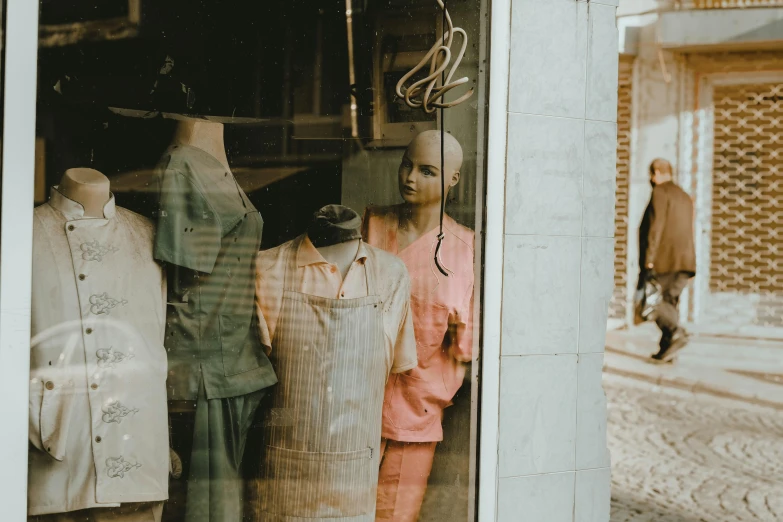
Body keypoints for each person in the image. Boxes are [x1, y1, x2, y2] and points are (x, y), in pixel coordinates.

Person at [363, 130, 474, 522]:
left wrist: (436, 390)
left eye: (427, 171)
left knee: (394, 515)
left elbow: (464, 346)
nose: (410, 178)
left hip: (416, 413)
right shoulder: (373, 226)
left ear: (452, 180)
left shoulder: (465, 251)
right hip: (355, 402)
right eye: (407, 165)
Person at [639, 158, 696, 362]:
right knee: (670, 304)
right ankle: (667, 351)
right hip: (684, 262)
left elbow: (655, 228)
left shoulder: (660, 192)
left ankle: (676, 331)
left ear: (656, 173)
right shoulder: (684, 196)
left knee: (652, 303)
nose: (651, 180)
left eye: (651, 175)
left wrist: (649, 261)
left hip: (663, 261)